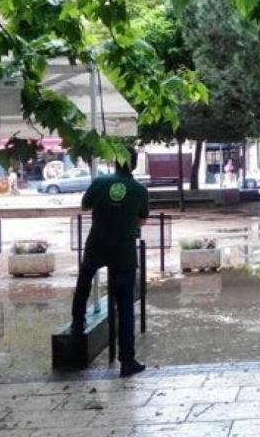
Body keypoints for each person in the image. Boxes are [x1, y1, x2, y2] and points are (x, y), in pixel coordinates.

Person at [70, 146, 149, 377]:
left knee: (84, 279)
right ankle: (127, 361)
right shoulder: (139, 190)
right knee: (125, 307)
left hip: (97, 243)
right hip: (123, 250)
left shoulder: (100, 182)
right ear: (134, 165)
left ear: (115, 162)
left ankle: (77, 322)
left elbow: (85, 205)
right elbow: (142, 220)